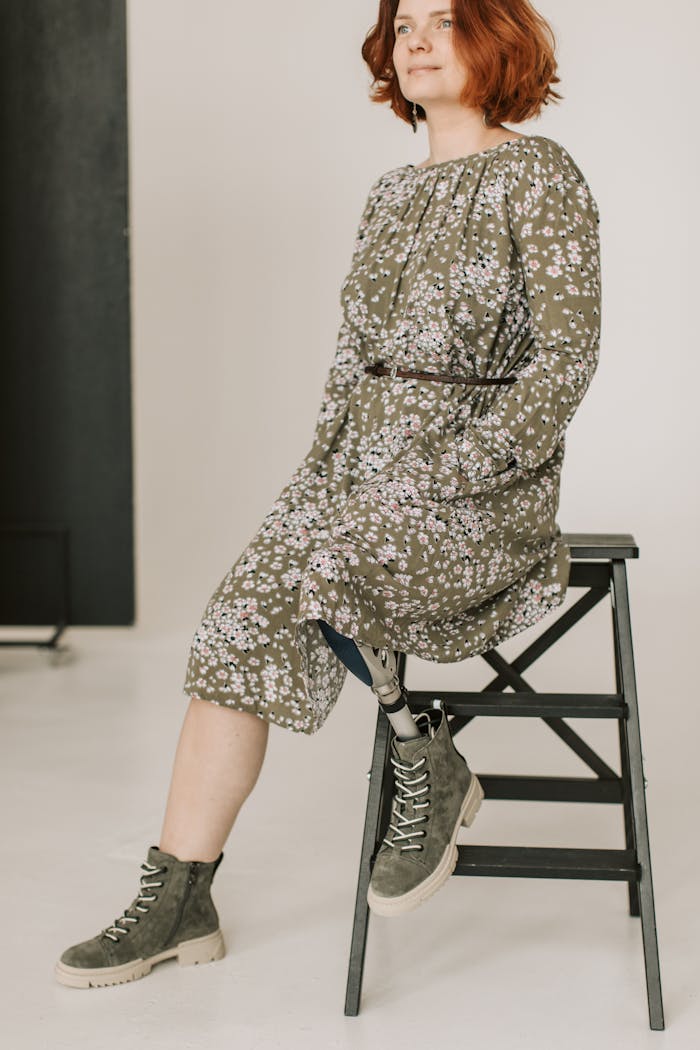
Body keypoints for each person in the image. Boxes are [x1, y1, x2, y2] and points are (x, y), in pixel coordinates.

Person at [55, 0, 601, 986]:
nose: (418, 40)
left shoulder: (539, 172)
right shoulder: (390, 191)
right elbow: (354, 365)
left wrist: (461, 467)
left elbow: (564, 361)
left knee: (341, 552)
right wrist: (322, 473)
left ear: (498, 40)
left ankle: (417, 754)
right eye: (403, 29)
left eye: (444, 21)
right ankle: (180, 892)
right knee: (236, 620)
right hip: (356, 473)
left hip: (481, 485)